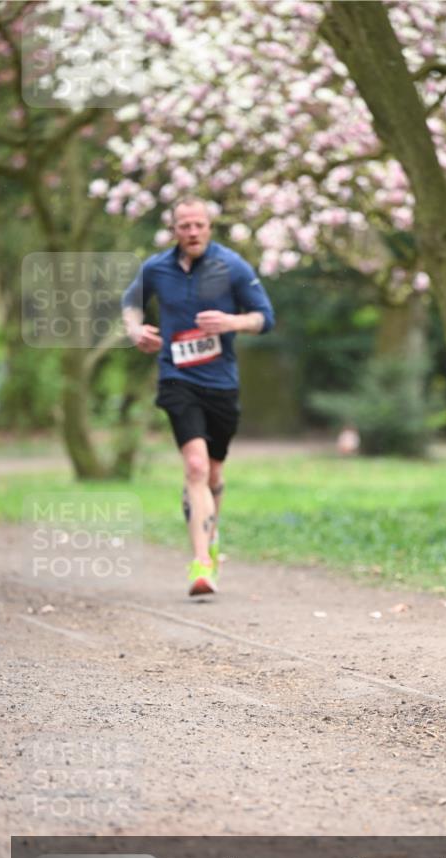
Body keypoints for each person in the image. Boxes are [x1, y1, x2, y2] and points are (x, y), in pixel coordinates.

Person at [122, 195, 275, 596]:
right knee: (195, 467)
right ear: (174, 229)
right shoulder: (156, 268)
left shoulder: (232, 266)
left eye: (198, 225)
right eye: (184, 226)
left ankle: (211, 532)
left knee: (214, 474)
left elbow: (265, 318)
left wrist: (231, 322)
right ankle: (201, 563)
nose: (192, 232)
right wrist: (135, 330)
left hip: (221, 383)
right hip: (177, 379)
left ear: (209, 227)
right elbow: (131, 303)